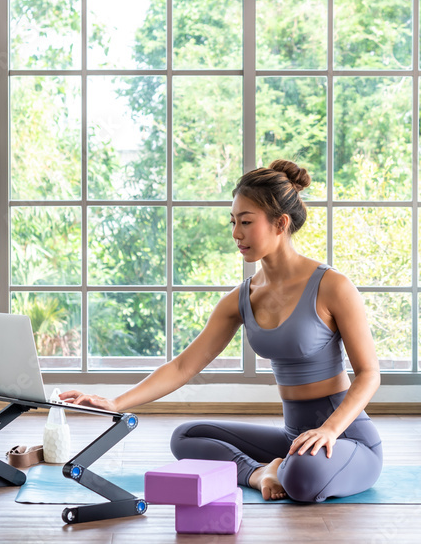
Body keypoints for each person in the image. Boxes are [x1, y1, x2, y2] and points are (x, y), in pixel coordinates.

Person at [60, 159, 383, 503]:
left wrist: (329, 430)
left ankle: (287, 468)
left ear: (280, 223)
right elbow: (184, 367)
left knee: (302, 478)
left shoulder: (332, 286)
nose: (236, 234)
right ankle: (260, 473)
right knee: (186, 436)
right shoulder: (242, 298)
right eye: (233, 222)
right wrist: (115, 403)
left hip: (346, 438)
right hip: (294, 438)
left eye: (246, 222)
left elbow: (369, 373)